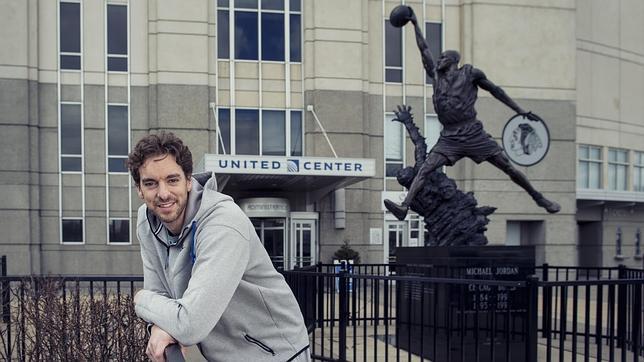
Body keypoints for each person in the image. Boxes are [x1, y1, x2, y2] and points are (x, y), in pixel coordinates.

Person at [128, 132, 310, 362]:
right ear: (139, 189)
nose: (163, 193)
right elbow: (160, 294)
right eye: (151, 183)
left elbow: (190, 324)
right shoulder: (147, 221)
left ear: (188, 181)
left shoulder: (223, 222)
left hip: (277, 354)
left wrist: (140, 299)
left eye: (172, 180)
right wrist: (158, 327)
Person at [384, 6, 560, 221]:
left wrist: (520, 110)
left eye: (443, 58)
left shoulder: (470, 74)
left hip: (472, 133)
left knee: (508, 168)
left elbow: (496, 91)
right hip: (450, 136)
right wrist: (415, 24)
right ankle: (404, 207)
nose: (438, 61)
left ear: (453, 60)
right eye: (438, 59)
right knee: (425, 169)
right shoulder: (436, 77)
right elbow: (423, 49)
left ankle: (539, 198)